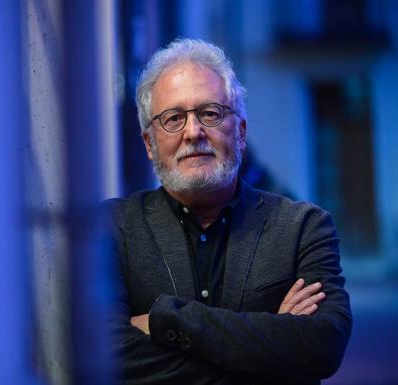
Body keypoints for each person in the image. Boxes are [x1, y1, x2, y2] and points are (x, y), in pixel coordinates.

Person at [106, 39, 352, 384]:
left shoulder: (304, 227)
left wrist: (167, 320)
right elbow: (106, 356)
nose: (193, 132)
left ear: (240, 133)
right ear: (149, 144)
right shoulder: (111, 228)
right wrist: (271, 359)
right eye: (174, 118)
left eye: (209, 113)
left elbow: (323, 344)